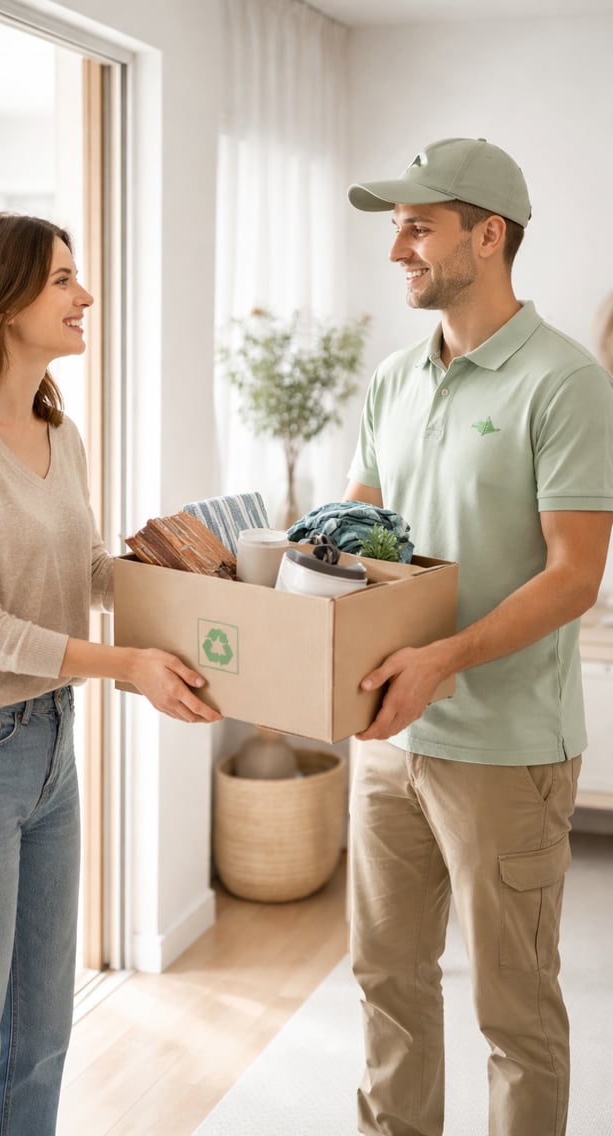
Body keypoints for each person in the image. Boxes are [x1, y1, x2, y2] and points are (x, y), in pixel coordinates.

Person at [0, 212, 222, 1136]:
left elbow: (81, 578)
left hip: (46, 745)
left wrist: (186, 576)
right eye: (62, 280)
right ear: (0, 302)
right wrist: (130, 665)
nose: (84, 296)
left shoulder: (55, 431)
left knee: (36, 1040)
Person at [343, 138, 613, 1136]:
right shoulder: (392, 380)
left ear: (487, 235)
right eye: (395, 228)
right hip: (387, 740)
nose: (397, 249)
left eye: (418, 225)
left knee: (515, 1008)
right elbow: (357, 543)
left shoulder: (567, 383)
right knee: (385, 979)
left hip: (507, 750)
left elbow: (575, 576)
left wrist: (443, 659)